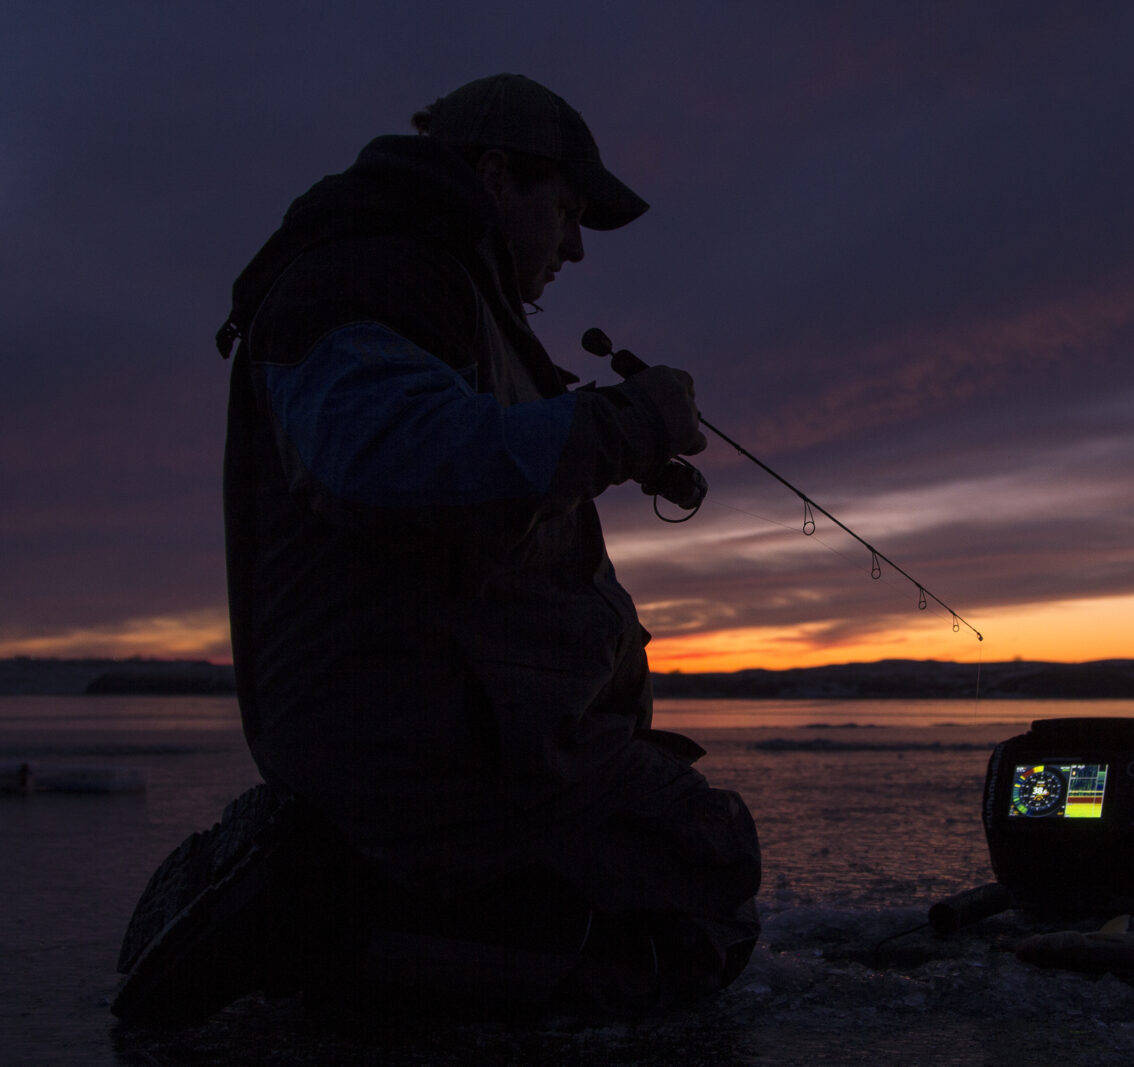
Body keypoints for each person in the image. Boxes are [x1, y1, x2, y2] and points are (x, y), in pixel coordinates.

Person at [113, 74, 760, 1022]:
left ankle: (370, 898)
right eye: (568, 211)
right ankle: (327, 916)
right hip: (427, 748)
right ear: (496, 176)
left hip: (484, 727)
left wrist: (604, 437)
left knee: (691, 846)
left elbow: (474, 453)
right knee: (703, 889)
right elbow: (391, 459)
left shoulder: (442, 285)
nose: (575, 246)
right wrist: (620, 425)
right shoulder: (365, 272)